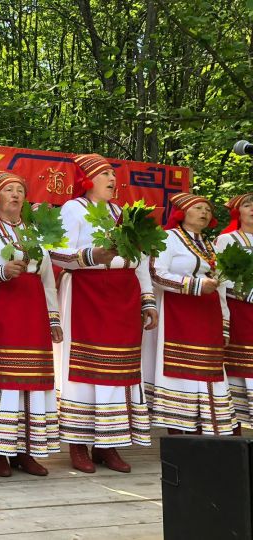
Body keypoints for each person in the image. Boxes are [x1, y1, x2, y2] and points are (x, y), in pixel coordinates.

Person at [50, 153, 158, 474]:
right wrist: (91, 254)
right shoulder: (73, 209)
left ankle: (107, 443)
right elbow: (56, 252)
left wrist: (148, 299)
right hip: (88, 294)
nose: (113, 180)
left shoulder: (122, 213)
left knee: (119, 369)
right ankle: (79, 444)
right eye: (106, 174)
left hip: (123, 298)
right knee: (86, 367)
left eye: (114, 175)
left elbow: (139, 259)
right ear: (88, 179)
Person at [0, 171, 62, 477]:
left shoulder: (34, 232)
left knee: (31, 382)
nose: (16, 194)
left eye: (20, 190)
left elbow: (48, 279)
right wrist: (0, 271)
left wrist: (53, 318)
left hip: (32, 313)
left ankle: (25, 451)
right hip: (1, 311)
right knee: (4, 379)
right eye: (9, 190)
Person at [145, 193, 235, 435]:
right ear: (182, 213)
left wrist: (224, 323)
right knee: (180, 368)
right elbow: (155, 272)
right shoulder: (168, 238)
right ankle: (177, 430)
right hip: (179, 313)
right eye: (198, 208)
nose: (205, 212)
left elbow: (222, 285)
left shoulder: (208, 245)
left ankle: (203, 427)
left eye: (208, 209)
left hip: (207, 316)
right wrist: (193, 285)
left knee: (206, 370)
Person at [215, 193, 253, 432]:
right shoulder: (227, 239)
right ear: (238, 212)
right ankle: (236, 426)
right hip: (241, 309)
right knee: (242, 368)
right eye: (248, 205)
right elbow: (221, 278)